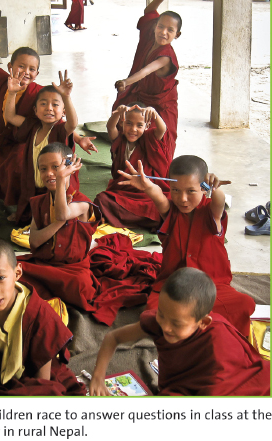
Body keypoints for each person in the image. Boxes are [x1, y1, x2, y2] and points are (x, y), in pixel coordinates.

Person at [0, 47, 97, 220]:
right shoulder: (4, 82)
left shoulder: (39, 93)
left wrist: (78, 138)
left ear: (37, 73)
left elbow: (60, 123)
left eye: (31, 69)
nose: (26, 72)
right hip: (3, 139)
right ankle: (23, 207)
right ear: (10, 66)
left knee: (22, 171)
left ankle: (42, 207)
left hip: (22, 141)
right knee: (18, 176)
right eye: (21, 66)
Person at [118, 155, 255, 336]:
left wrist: (214, 187)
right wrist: (148, 186)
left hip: (211, 286)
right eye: (175, 190)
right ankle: (197, 324)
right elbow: (159, 197)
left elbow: (219, 201)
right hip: (175, 286)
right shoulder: (170, 212)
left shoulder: (210, 213)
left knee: (244, 304)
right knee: (152, 312)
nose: (182, 199)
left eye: (190, 191)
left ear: (203, 188)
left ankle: (189, 324)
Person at [90, 268, 270, 396]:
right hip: (176, 387)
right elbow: (113, 337)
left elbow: (221, 394)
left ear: (203, 322)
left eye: (177, 324)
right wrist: (98, 376)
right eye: (161, 314)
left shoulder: (218, 343)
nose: (166, 327)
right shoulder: (160, 322)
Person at [0, 236, 86, 395]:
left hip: (29, 381)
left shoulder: (40, 313)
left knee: (51, 392)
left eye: (0, 278)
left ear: (17, 273)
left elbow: (42, 383)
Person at [18, 143, 101, 311]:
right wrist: (58, 224)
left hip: (72, 271)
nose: (49, 173)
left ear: (70, 167)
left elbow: (63, 214)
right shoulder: (39, 202)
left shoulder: (82, 202)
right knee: (10, 270)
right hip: (43, 265)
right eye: (43, 169)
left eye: (55, 167)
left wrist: (62, 178)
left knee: (82, 289)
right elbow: (34, 242)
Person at [5, 71, 80, 224]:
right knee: (28, 205)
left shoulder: (60, 129)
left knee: (53, 212)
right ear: (35, 110)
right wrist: (12, 93)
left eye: (55, 104)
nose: (49, 108)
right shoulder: (32, 126)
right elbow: (10, 117)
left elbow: (72, 124)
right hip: (34, 177)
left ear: (63, 111)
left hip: (56, 180)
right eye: (43, 104)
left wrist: (66, 96)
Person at [113, 0, 180, 157]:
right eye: (160, 26)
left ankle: (155, 174)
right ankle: (126, 161)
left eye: (170, 30)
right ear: (155, 26)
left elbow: (146, 71)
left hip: (161, 104)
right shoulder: (150, 37)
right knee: (127, 126)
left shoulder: (166, 56)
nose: (163, 32)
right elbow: (149, 11)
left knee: (160, 139)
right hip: (141, 95)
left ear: (177, 35)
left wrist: (125, 82)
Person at [94, 102, 170, 230]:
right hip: (124, 193)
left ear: (147, 126)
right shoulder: (119, 139)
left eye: (139, 125)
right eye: (128, 123)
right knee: (101, 199)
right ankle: (146, 221)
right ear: (122, 123)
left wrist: (155, 114)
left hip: (146, 193)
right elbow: (110, 127)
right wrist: (117, 113)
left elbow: (162, 129)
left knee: (164, 205)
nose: (133, 129)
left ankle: (122, 218)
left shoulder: (150, 139)